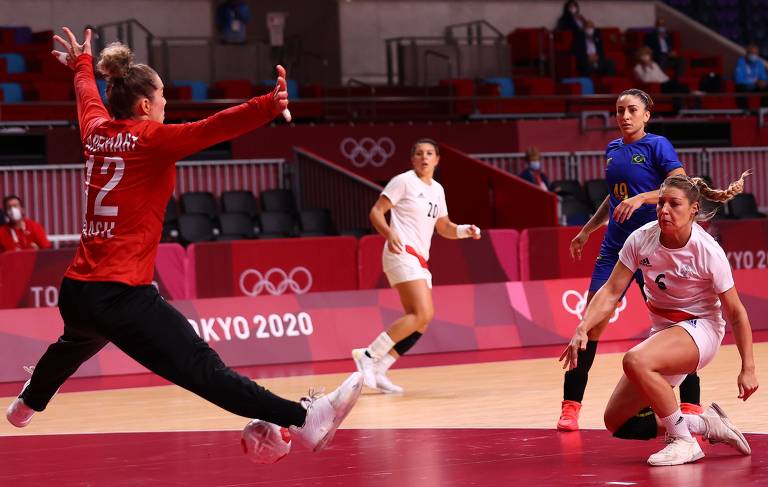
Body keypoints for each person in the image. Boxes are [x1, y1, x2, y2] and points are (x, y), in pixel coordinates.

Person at [5, 27, 362, 455]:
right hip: (120, 295)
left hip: (78, 291)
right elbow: (213, 127)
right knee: (202, 369)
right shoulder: (150, 139)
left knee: (78, 340)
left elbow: (88, 98)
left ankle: (28, 403)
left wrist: (83, 65)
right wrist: (268, 104)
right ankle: (305, 420)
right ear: (143, 105)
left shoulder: (96, 132)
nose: (165, 105)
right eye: (162, 99)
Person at [561, 171, 758, 466]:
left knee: (635, 359)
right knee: (619, 421)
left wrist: (748, 368)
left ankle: (684, 441)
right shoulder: (641, 238)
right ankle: (705, 425)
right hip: (664, 332)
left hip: (701, 328)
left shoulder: (707, 251)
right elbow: (612, 290)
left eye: (674, 204)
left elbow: (737, 313)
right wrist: (583, 327)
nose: (664, 210)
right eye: (660, 203)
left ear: (693, 209)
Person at [557, 88, 703, 432]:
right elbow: (613, 200)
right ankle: (570, 406)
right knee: (591, 322)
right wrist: (588, 230)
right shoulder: (612, 149)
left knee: (676, 322)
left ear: (646, 115)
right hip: (615, 248)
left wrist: (642, 198)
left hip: (655, 245)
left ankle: (691, 404)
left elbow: (678, 185)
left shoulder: (658, 145)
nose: (624, 116)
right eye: (620, 110)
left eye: (632, 110)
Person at [351, 139, 481, 393]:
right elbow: (376, 212)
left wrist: (466, 230)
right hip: (400, 251)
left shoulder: (438, 190)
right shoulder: (403, 181)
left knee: (421, 321)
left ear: (437, 159)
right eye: (419, 153)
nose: (424, 157)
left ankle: (380, 368)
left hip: (420, 259)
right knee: (422, 312)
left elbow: (444, 227)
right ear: (412, 159)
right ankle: (367, 356)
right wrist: (389, 234)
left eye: (429, 153)